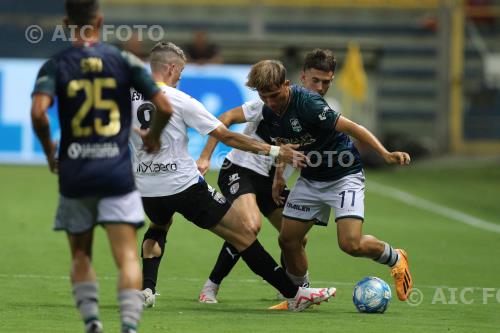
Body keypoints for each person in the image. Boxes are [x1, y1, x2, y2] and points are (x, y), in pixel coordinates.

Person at [130, 41, 335, 312]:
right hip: (183, 186)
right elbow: (225, 134)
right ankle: (294, 294)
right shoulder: (180, 100)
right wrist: (274, 151)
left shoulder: (126, 96)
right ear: (170, 68)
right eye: (180, 71)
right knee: (243, 234)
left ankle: (147, 289)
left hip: (147, 189)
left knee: (158, 227)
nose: (181, 77)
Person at [30, 1, 174, 333]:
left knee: (81, 254)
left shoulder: (56, 65)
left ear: (67, 24)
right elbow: (164, 104)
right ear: (101, 21)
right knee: (126, 255)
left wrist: (50, 147)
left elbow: (39, 113)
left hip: (76, 173)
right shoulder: (122, 60)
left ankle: (93, 322)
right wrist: (152, 136)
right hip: (116, 173)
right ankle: (128, 326)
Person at [242, 59, 413, 308]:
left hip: (344, 176)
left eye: (274, 95)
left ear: (287, 85)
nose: (270, 102)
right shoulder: (268, 111)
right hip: (311, 179)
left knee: (350, 244)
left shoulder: (308, 104)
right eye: (264, 96)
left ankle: (396, 257)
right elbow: (284, 145)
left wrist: (385, 153)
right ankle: (301, 295)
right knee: (288, 240)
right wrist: (279, 177)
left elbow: (353, 127)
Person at [195, 48, 338, 304]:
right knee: (250, 226)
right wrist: (205, 157)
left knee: (296, 236)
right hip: (240, 170)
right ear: (303, 78)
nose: (319, 87)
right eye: (315, 80)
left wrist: (279, 178)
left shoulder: (309, 109)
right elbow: (225, 118)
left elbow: (286, 148)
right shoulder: (265, 105)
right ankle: (210, 287)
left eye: (324, 82)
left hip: (270, 179)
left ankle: (295, 288)